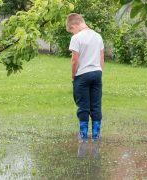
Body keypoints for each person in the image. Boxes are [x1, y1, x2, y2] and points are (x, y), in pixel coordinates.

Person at [66, 13, 104, 142]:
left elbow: (74, 60)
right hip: (97, 73)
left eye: (71, 30)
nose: (72, 33)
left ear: (74, 25)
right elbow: (101, 58)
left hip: (82, 75)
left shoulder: (77, 38)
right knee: (96, 105)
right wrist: (99, 72)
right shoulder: (98, 36)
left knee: (83, 106)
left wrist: (73, 76)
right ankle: (96, 135)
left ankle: (83, 135)